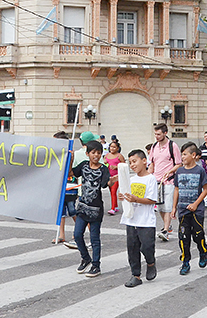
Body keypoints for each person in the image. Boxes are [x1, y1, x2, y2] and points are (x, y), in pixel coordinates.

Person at [72, 140, 117, 278]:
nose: (96, 155)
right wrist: (71, 158)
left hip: (96, 209)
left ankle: (96, 265)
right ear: (87, 154)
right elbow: (73, 173)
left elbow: (105, 184)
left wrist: (114, 179)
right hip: (82, 207)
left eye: (98, 153)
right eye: (93, 153)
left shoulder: (103, 168)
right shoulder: (84, 165)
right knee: (77, 234)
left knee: (94, 238)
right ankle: (85, 258)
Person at [120, 149, 158, 287]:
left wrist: (136, 198)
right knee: (132, 248)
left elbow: (152, 200)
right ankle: (136, 275)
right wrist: (123, 197)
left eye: (134, 161)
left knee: (147, 246)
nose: (132, 165)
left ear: (144, 161)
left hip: (146, 221)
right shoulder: (131, 179)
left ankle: (151, 262)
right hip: (131, 219)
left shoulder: (150, 179)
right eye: (130, 163)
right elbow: (126, 196)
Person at [172, 142, 207, 275]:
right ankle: (185, 261)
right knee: (183, 236)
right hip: (183, 210)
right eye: (181, 154)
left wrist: (196, 204)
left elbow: (206, 189)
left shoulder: (200, 171)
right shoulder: (179, 171)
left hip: (197, 210)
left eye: (185, 154)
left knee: (198, 235)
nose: (182, 157)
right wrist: (173, 208)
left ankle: (203, 251)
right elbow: (176, 189)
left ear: (193, 155)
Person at [149, 123, 182, 242]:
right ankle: (167, 226)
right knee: (160, 208)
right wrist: (149, 176)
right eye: (155, 134)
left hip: (169, 181)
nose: (156, 136)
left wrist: (170, 172)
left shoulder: (173, 146)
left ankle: (165, 230)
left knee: (167, 207)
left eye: (159, 134)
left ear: (165, 133)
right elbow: (151, 162)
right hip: (157, 181)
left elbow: (178, 163)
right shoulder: (154, 146)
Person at [52, 131, 79, 249]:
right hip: (59, 184)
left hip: (69, 185)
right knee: (61, 212)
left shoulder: (69, 154)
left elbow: (70, 171)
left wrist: (71, 159)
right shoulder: (54, 154)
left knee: (72, 209)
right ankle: (61, 234)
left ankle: (79, 230)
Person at [105, 141, 125, 215]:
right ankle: (115, 206)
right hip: (109, 177)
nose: (112, 148)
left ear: (117, 148)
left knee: (113, 191)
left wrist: (117, 167)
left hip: (117, 177)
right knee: (111, 192)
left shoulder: (119, 156)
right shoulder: (106, 155)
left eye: (114, 147)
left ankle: (113, 208)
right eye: (111, 147)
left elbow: (124, 165)